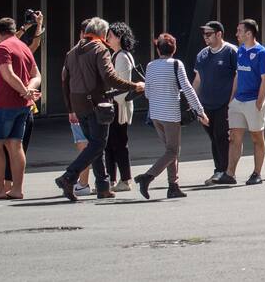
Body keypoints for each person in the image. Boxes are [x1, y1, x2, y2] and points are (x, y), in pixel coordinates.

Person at [55, 17, 145, 201]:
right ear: (102, 34)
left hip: (78, 104)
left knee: (94, 145)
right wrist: (133, 86)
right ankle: (69, 176)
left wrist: (70, 107)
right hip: (96, 104)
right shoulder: (99, 49)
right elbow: (110, 77)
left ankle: (103, 186)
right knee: (98, 144)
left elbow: (64, 81)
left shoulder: (71, 52)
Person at [134, 34, 209, 199]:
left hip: (155, 115)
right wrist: (200, 110)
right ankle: (148, 177)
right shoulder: (176, 64)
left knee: (170, 151)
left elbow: (147, 93)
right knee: (173, 151)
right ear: (174, 49)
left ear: (158, 48)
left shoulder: (150, 65)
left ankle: (173, 186)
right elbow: (188, 89)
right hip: (170, 114)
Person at [0, 18, 40, 202]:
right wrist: (29, 90)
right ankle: (17, 189)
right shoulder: (24, 47)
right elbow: (37, 75)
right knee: (16, 145)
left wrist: (24, 91)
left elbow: (7, 74)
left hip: (4, 105)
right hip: (23, 107)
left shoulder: (2, 47)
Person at [225, 19, 265, 186]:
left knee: (256, 137)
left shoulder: (261, 52)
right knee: (234, 137)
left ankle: (257, 173)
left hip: (254, 100)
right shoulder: (241, 51)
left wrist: (259, 101)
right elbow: (238, 74)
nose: (237, 34)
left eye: (239, 31)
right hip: (239, 100)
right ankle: (230, 173)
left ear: (249, 33)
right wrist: (232, 97)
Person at [193, 21, 238, 185]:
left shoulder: (231, 52)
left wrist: (232, 100)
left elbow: (238, 77)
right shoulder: (202, 55)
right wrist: (194, 102)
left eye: (209, 34)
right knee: (213, 137)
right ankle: (219, 169)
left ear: (219, 34)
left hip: (224, 104)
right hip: (206, 105)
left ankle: (224, 171)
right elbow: (197, 79)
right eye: (204, 34)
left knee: (221, 137)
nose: (205, 37)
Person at [104, 22, 138, 192]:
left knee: (117, 143)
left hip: (119, 106)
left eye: (110, 35)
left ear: (119, 37)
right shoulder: (119, 54)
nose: (107, 39)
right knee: (111, 144)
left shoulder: (121, 57)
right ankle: (112, 180)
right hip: (118, 105)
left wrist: (108, 96)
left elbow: (122, 87)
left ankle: (124, 180)